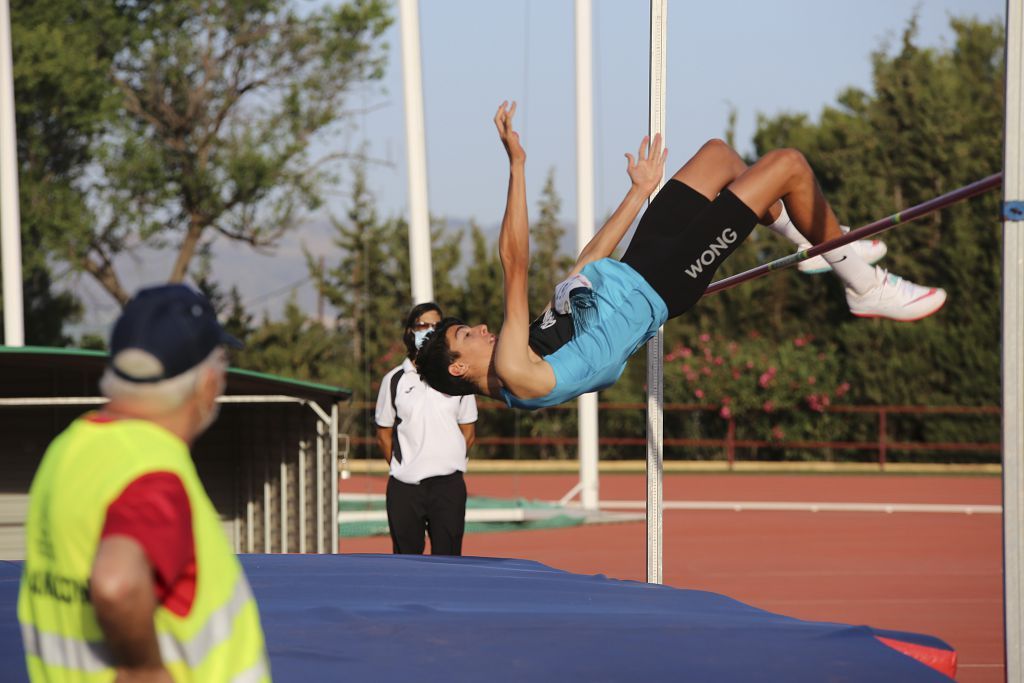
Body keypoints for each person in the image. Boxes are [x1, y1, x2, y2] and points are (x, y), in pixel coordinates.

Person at [415, 101, 947, 410]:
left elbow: (584, 268)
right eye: (466, 335)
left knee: (719, 157)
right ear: (460, 367)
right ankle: (863, 285)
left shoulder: (530, 342)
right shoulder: (516, 369)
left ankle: (818, 246)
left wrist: (638, 191)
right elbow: (515, 261)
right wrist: (518, 166)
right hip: (665, 282)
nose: (479, 327)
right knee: (787, 165)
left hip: (636, 265)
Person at [18, 284, 270, 682]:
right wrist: (143, 668)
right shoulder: (154, 473)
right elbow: (116, 581)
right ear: (207, 383)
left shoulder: (68, 449)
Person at [375, 303, 478, 555]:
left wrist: (449, 459)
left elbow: (469, 430)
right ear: (411, 331)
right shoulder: (394, 379)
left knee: (450, 560)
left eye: (436, 326)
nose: (429, 331)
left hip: (448, 485)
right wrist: (403, 464)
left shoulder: (458, 375)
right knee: (406, 564)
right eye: (423, 325)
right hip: (405, 487)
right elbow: (383, 432)